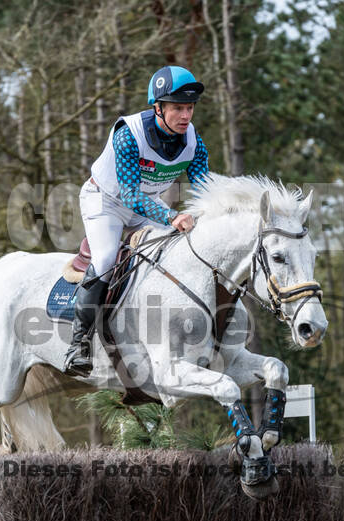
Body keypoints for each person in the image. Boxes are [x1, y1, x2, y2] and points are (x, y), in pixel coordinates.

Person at [64, 65, 209, 377]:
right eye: (177, 108)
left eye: (189, 108)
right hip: (105, 200)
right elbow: (129, 194)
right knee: (104, 258)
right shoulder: (129, 133)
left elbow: (204, 187)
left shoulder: (194, 141)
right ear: (157, 107)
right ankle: (78, 344)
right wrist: (172, 216)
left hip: (145, 204)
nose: (185, 116)